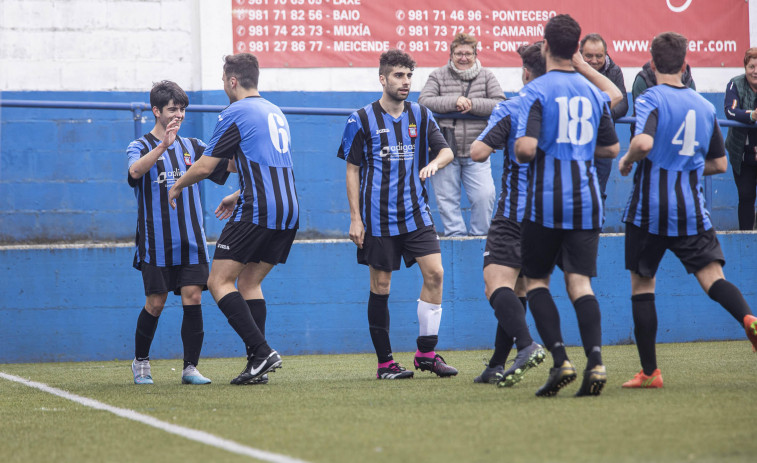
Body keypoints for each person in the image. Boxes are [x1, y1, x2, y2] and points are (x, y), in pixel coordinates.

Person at [618, 32, 757, 388]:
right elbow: (721, 164)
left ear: (651, 64)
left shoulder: (650, 97)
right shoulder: (703, 105)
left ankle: (651, 373)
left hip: (649, 211)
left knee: (643, 285)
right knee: (713, 279)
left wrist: (627, 159)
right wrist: (687, 164)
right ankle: (748, 317)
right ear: (684, 65)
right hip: (692, 210)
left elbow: (644, 142)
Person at [168, 53, 299, 385]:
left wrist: (177, 186)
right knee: (249, 283)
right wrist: (237, 193)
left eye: (222, 79)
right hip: (289, 209)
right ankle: (257, 363)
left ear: (231, 81)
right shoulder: (274, 111)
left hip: (258, 210)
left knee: (218, 281)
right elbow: (261, 167)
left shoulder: (234, 112)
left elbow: (207, 166)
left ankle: (262, 350)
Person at [514, 14, 622, 397]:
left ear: (545, 47)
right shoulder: (595, 93)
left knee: (536, 280)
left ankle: (561, 360)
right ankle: (596, 362)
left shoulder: (536, 92)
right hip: (587, 200)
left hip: (546, 201)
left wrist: (526, 146)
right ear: (577, 49)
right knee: (580, 282)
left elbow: (526, 148)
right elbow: (611, 147)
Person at [338, 49, 458, 379]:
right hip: (377, 218)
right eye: (398, 76)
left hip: (417, 214)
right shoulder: (360, 119)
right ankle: (385, 364)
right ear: (383, 79)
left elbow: (446, 151)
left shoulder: (421, 115)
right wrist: (355, 218)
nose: (405, 82)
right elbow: (352, 170)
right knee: (381, 284)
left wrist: (434, 162)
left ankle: (426, 353)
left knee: (436, 273)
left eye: (408, 76)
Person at [126, 80, 230, 385]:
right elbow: (134, 172)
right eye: (173, 109)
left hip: (191, 241)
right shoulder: (140, 146)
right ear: (156, 111)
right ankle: (141, 362)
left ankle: (190, 368)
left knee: (193, 296)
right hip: (156, 242)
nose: (179, 114)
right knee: (155, 302)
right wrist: (162, 147)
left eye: (182, 108)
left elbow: (227, 166)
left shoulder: (195, 147)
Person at [468, 42, 547, 386]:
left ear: (526, 72)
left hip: (515, 212)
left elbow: (478, 152)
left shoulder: (513, 107)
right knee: (518, 289)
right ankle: (496, 364)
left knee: (494, 285)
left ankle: (527, 345)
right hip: (549, 214)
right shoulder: (565, 107)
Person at [418, 33, 503, 236]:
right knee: (447, 200)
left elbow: (500, 103)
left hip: (478, 150)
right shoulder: (438, 75)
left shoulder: (487, 76)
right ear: (451, 54)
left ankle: (479, 238)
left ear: (475, 54)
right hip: (444, 150)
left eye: (468, 53)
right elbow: (424, 100)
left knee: (485, 196)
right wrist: (453, 101)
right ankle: (456, 238)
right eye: (458, 53)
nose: (463, 57)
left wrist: (473, 105)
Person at [580, 33, 629, 204]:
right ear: (580, 55)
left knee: (598, 192)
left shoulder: (614, 71)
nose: (594, 60)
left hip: (603, 142)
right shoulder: (572, 71)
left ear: (605, 54)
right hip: (575, 142)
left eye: (599, 56)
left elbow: (623, 104)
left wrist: (599, 114)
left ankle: (595, 228)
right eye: (589, 56)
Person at [724, 48, 757, 230]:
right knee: (746, 196)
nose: (755, 71)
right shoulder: (735, 84)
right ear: (745, 67)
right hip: (741, 156)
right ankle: (745, 238)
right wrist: (751, 115)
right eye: (751, 66)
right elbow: (730, 111)